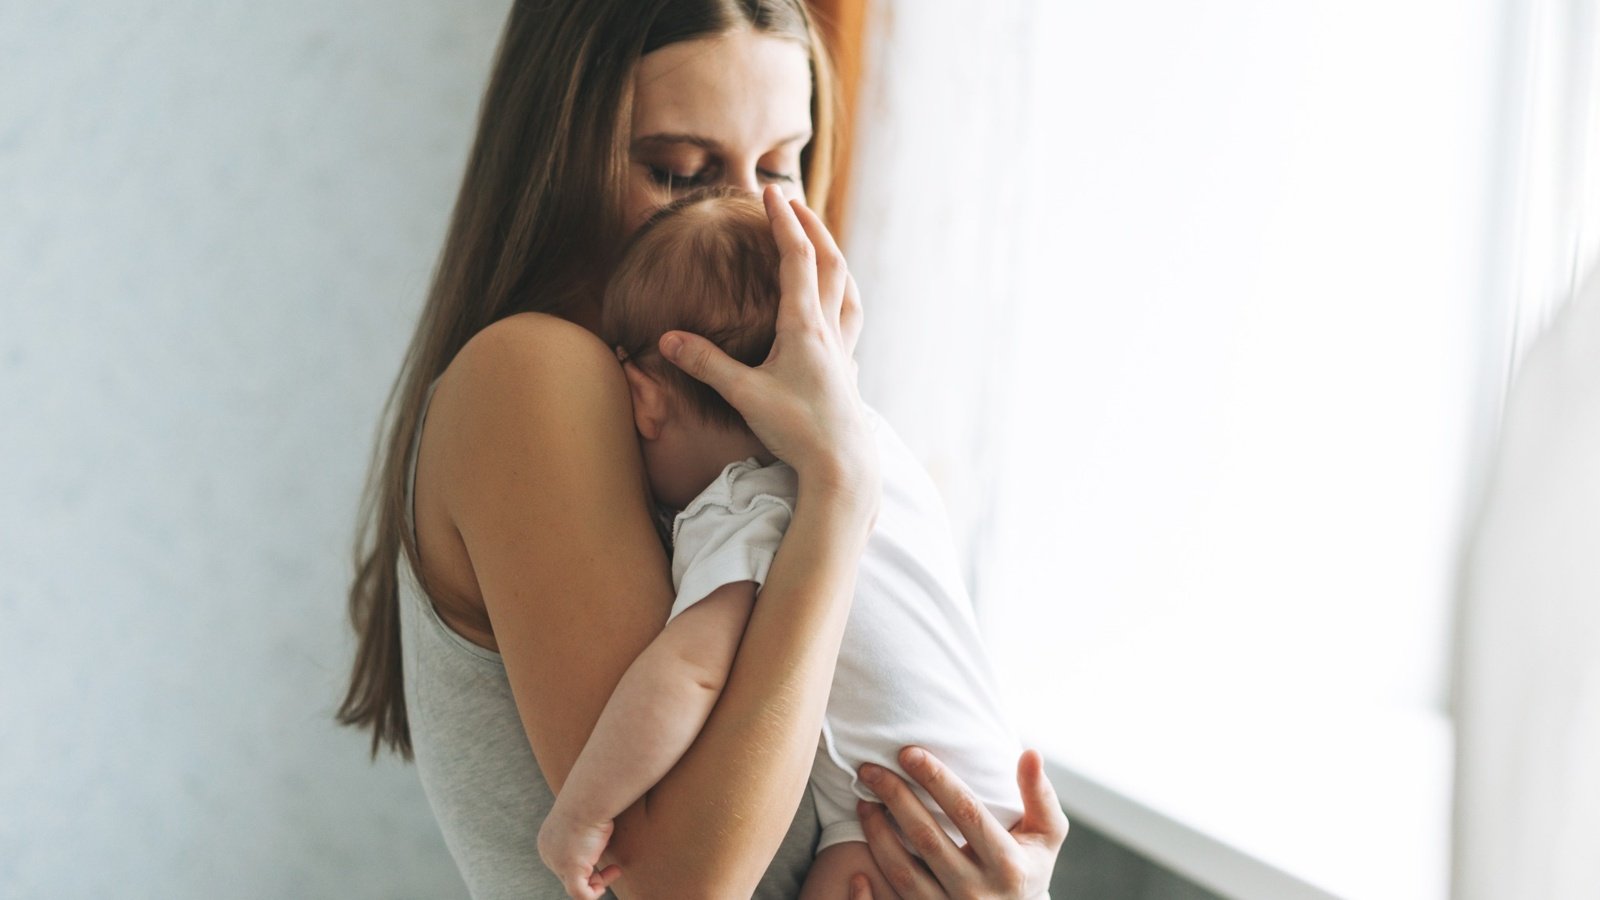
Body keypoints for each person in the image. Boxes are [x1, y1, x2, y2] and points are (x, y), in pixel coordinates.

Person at [336, 2, 1069, 897]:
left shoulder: (723, 459)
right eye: (681, 172)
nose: (751, 219)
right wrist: (840, 488)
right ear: (557, 160)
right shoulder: (533, 374)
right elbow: (678, 885)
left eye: (778, 166)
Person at [536, 190, 1037, 900]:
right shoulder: (879, 447)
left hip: (907, 820)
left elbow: (689, 675)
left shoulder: (748, 496)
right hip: (983, 807)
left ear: (645, 399)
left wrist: (582, 813)